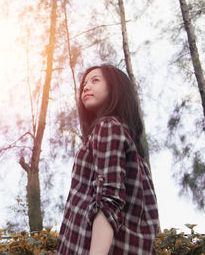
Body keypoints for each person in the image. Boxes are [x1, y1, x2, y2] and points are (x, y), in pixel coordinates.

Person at [57, 64, 159, 254]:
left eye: (95, 80)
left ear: (116, 88)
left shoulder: (108, 126)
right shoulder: (122, 135)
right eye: (84, 84)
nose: (86, 87)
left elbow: (109, 198)